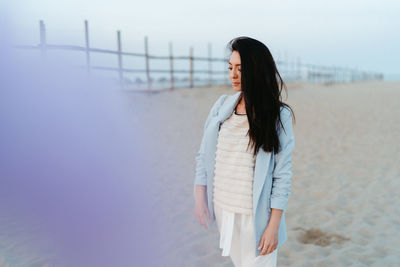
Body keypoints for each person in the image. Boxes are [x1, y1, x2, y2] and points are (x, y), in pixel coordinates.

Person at [193, 36, 295, 267]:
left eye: (241, 68)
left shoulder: (279, 115)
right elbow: (203, 155)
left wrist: (273, 226)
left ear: (257, 70)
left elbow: (282, 175)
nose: (233, 75)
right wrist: (199, 197)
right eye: (230, 67)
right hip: (223, 208)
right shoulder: (221, 106)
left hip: (256, 216)